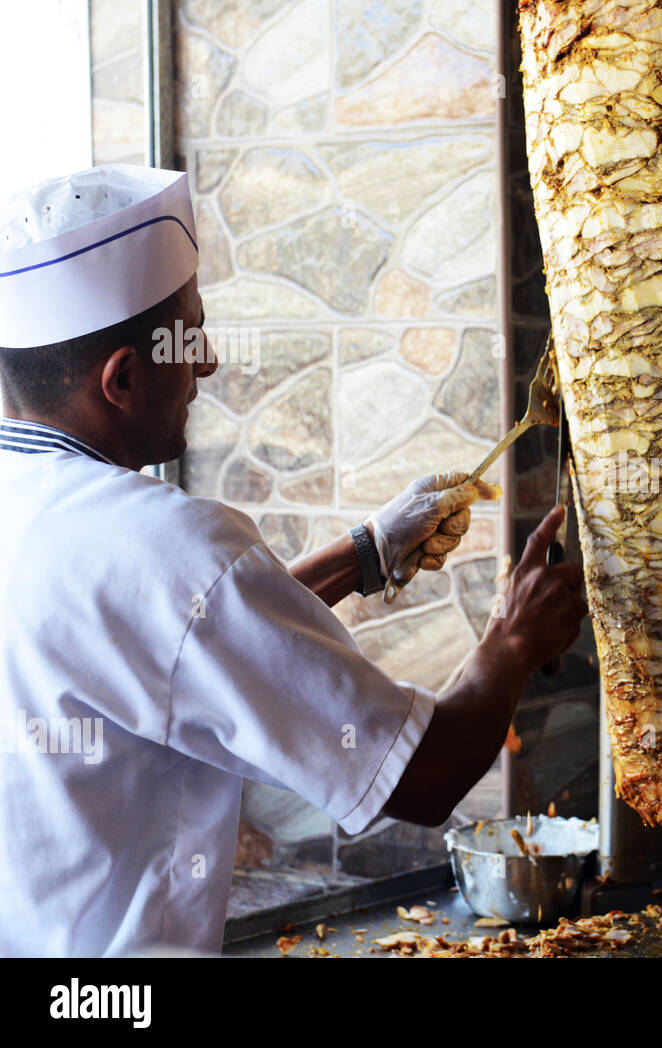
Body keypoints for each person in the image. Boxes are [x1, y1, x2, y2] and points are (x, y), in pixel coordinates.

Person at [0, 164, 587, 956]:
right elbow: (425, 776)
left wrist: (368, 553)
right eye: (190, 336)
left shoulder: (46, 510)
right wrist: (515, 637)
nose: (206, 363)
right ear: (124, 378)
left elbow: (186, 640)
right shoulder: (163, 545)